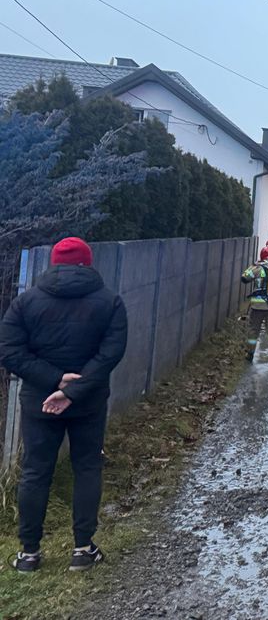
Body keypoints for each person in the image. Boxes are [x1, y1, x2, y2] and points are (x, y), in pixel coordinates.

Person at [0, 237, 127, 574]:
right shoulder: (109, 302)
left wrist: (56, 381)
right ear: (89, 263)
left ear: (54, 264)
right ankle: (83, 550)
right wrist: (75, 389)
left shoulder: (25, 303)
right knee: (87, 467)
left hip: (39, 400)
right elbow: (111, 353)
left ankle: (29, 554)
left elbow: (9, 351)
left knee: (34, 471)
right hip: (89, 402)